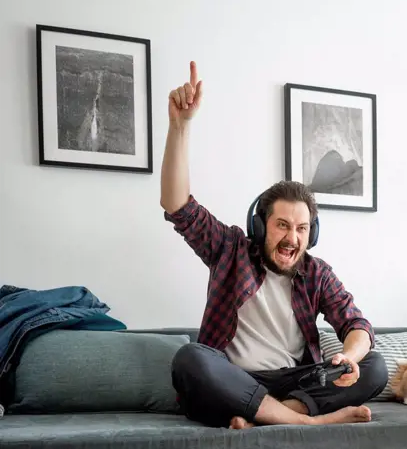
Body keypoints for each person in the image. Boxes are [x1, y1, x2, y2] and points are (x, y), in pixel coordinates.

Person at [160, 61, 388, 429]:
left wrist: (351, 355)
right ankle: (308, 422)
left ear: (310, 234)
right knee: (190, 359)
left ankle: (273, 416)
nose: (292, 238)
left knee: (375, 367)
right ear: (260, 226)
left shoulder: (316, 273)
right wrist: (179, 127)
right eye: (282, 225)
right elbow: (177, 207)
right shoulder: (230, 248)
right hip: (235, 380)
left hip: (292, 383)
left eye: (301, 228)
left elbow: (356, 323)